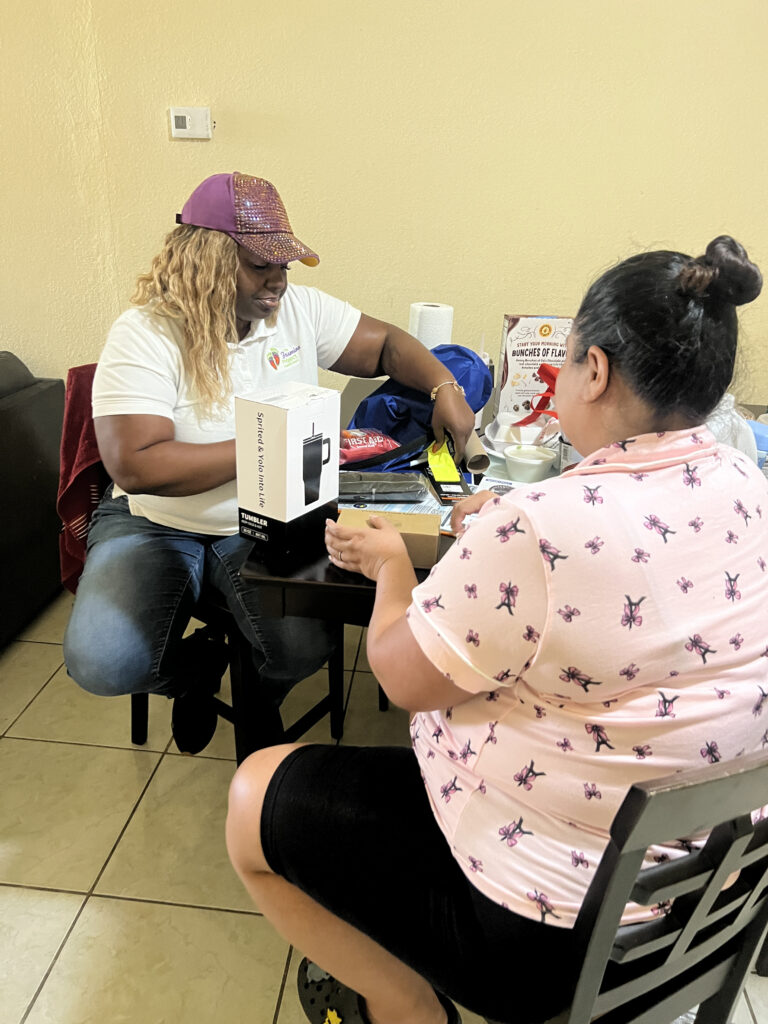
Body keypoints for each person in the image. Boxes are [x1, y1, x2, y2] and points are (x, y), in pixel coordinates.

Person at [225, 235, 768, 1024]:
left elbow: (404, 678)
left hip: (549, 931)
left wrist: (393, 572)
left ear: (596, 371)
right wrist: (505, 526)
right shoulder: (744, 482)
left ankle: (408, 1009)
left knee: (252, 799)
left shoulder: (540, 526)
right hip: (708, 900)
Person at [63, 172, 476, 754]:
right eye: (262, 267)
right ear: (207, 261)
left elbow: (385, 345)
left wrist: (443, 386)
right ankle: (196, 672)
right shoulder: (146, 334)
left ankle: (258, 688)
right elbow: (136, 466)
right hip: (155, 522)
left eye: (283, 266)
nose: (279, 282)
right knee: (101, 662)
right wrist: (270, 443)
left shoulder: (296, 311)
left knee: (306, 648)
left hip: (269, 519)